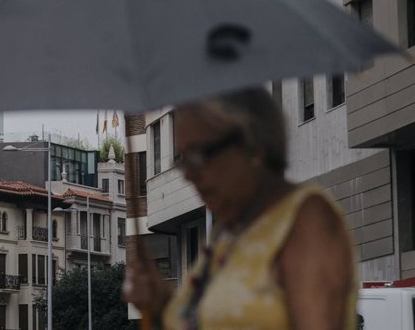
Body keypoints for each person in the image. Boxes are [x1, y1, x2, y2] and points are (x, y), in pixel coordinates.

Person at [123, 86, 356, 330]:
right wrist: (160, 304)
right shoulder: (226, 233)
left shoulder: (306, 220)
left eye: (199, 156)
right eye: (183, 161)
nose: (189, 175)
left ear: (252, 144)